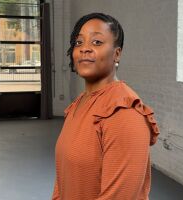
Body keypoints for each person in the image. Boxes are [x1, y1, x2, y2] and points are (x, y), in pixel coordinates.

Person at [52, 12, 159, 200]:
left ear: (116, 54)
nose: (85, 49)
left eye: (97, 42)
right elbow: (64, 179)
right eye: (79, 43)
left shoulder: (125, 113)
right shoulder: (78, 104)